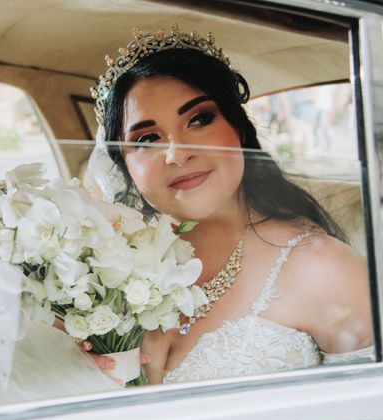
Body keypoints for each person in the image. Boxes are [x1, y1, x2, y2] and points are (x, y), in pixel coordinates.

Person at [85, 24, 374, 384]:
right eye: (147, 139)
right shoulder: (105, 274)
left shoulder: (325, 267)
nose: (177, 153)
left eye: (200, 119)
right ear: (124, 165)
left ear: (238, 128)